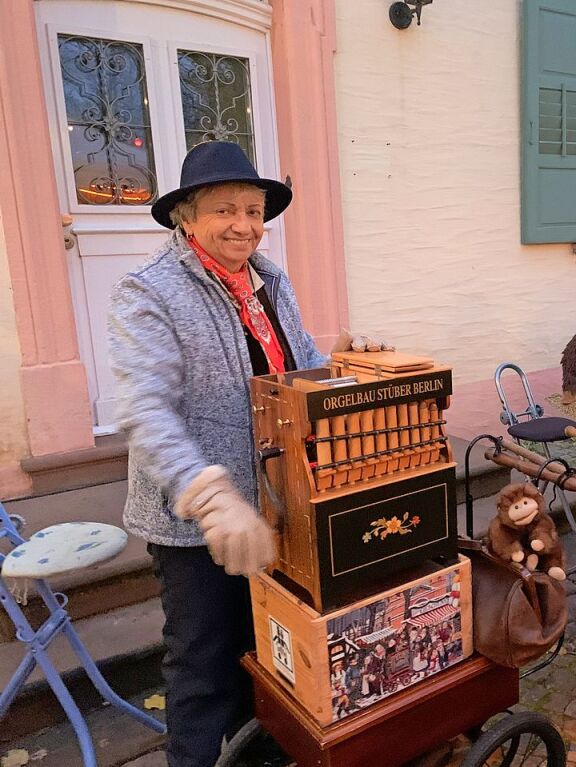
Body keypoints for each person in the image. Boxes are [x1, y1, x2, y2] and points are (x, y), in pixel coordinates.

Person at [108, 141, 335, 767]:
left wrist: (344, 384)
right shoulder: (147, 291)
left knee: (266, 651)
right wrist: (210, 496)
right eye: (224, 210)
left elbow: (303, 362)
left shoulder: (270, 277)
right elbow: (144, 409)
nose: (244, 226)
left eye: (255, 211)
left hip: (275, 498)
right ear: (187, 216)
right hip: (195, 519)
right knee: (203, 665)